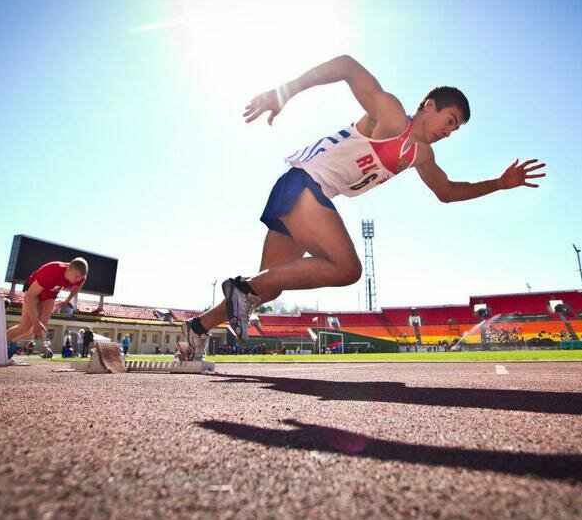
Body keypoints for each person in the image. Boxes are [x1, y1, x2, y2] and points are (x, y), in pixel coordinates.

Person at [175, 54, 546, 360]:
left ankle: (195, 330)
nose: (448, 132)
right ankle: (239, 291)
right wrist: (284, 92)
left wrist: (499, 184)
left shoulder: (421, 156)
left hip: (302, 192)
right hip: (305, 185)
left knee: (266, 287)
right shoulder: (391, 114)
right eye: (449, 121)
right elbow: (347, 67)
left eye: (455, 130)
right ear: (429, 107)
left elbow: (447, 191)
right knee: (347, 269)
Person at [6, 258, 88, 360]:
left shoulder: (80, 277)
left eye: (80, 278)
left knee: (39, 328)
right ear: (69, 268)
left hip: (50, 294)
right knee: (26, 326)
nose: (77, 280)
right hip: (34, 292)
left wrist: (66, 301)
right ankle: (2, 341)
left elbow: (76, 288)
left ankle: (13, 341)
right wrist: (35, 321)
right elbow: (29, 296)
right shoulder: (52, 271)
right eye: (76, 276)